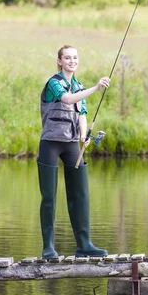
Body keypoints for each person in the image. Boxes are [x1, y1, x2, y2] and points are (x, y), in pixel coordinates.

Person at [38, 44, 110, 259]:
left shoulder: (78, 85)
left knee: (80, 194)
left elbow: (82, 112)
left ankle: (84, 244)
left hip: (71, 144)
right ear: (60, 61)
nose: (72, 61)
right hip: (50, 142)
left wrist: (83, 135)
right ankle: (48, 248)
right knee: (49, 197)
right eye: (67, 58)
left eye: (75, 57)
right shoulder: (54, 83)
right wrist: (97, 88)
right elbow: (68, 100)